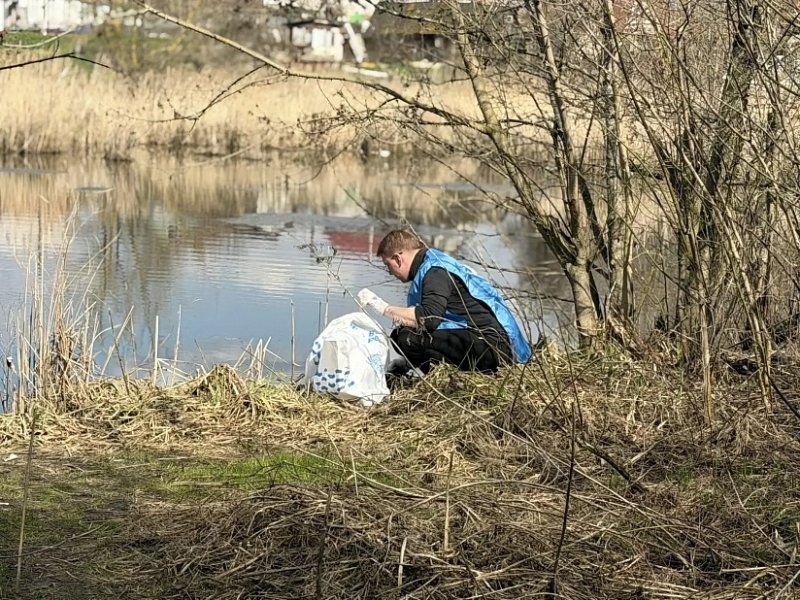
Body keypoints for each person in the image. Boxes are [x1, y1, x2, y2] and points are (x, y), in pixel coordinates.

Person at [357, 229, 532, 375]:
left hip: (493, 348)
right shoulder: (435, 262)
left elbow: (429, 319)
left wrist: (383, 307)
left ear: (398, 259)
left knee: (405, 337)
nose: (389, 272)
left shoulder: (435, 273)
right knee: (406, 333)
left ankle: (451, 379)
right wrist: (407, 363)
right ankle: (448, 375)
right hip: (494, 343)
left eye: (388, 266)